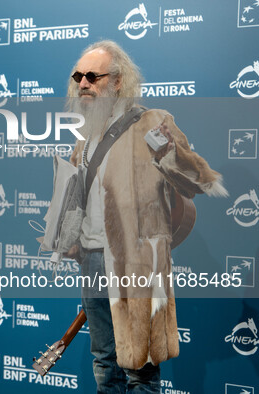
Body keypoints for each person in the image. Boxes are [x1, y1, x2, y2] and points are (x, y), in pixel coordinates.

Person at [63, 40, 227, 393]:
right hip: (92, 261)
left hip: (136, 263)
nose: (83, 83)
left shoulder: (152, 122)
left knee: (141, 369)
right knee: (104, 362)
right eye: (79, 75)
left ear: (118, 81)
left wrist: (169, 152)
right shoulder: (85, 136)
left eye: (93, 75)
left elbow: (195, 181)